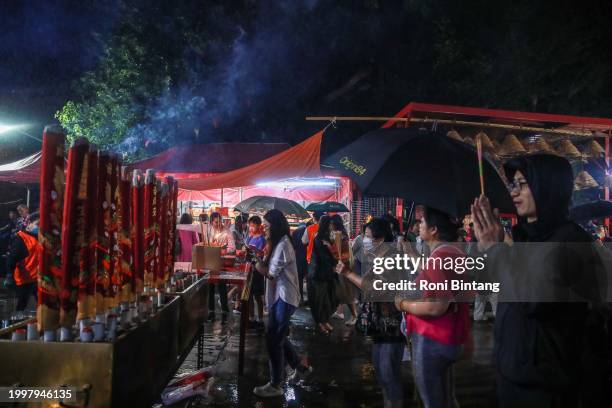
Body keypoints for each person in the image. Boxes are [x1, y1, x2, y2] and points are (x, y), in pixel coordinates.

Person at [471, 154, 607, 407]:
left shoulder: (571, 242)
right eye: (513, 184)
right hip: (510, 378)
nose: (514, 192)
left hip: (548, 389)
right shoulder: (525, 240)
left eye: (523, 184)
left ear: (548, 185)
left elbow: (533, 301)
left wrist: (495, 249)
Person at [395, 207, 472, 408]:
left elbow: (436, 306)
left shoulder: (440, 257)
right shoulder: (451, 252)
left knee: (434, 401)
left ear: (434, 230)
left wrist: (403, 304)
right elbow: (430, 271)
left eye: (422, 222)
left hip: (432, 338)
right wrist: (410, 252)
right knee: (446, 398)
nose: (419, 225)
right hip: (449, 337)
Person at [336, 218, 406, 408]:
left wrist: (348, 274)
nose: (364, 240)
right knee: (382, 371)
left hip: (391, 324)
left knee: (389, 372)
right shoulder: (377, 256)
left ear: (380, 238)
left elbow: (376, 287)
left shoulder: (391, 258)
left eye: (367, 237)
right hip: (380, 324)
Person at [253, 209, 311, 398]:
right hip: (280, 296)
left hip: (285, 298)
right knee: (276, 337)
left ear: (275, 227)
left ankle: (276, 384)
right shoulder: (277, 243)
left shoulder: (283, 245)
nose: (264, 230)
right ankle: (299, 366)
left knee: (273, 340)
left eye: (267, 227)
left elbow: (270, 273)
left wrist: (256, 264)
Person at [307, 215, 339, 334]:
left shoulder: (327, 238)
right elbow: (325, 257)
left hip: (327, 274)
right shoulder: (319, 238)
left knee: (327, 299)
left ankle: (325, 321)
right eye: (330, 224)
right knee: (320, 299)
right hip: (319, 274)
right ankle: (320, 323)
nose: (332, 226)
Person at [203, 212, 236, 321]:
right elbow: (204, 245)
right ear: (211, 222)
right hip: (210, 262)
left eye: (220, 221)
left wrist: (223, 249)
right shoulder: (208, 231)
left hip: (222, 262)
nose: (218, 224)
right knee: (210, 286)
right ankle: (211, 310)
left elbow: (232, 247)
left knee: (222, 285)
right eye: (216, 222)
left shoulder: (227, 231)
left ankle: (224, 310)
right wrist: (211, 246)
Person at [6, 213, 40, 311]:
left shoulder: (40, 237)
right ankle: (16, 324)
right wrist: (9, 275)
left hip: (38, 278)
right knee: (21, 306)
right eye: (38, 224)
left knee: (42, 304)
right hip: (24, 279)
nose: (40, 227)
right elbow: (12, 258)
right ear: (29, 223)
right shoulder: (21, 238)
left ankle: (38, 324)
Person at [329, 214, 358, 326]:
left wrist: (329, 247)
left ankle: (355, 316)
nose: (330, 226)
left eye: (331, 224)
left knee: (347, 292)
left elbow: (341, 253)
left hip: (344, 267)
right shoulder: (339, 235)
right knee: (342, 291)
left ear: (335, 224)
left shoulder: (340, 236)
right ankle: (340, 312)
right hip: (341, 267)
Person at [246, 215, 266, 327]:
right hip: (248, 268)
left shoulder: (262, 239)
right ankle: (251, 317)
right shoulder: (249, 237)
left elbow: (262, 254)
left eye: (253, 226)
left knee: (258, 296)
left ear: (259, 226)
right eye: (250, 226)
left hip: (257, 269)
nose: (251, 228)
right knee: (249, 295)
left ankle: (260, 319)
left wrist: (255, 251)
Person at [291, 221, 309, 304]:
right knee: (309, 279)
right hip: (309, 258)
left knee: (299, 280)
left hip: (298, 258)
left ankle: (300, 299)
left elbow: (293, 248)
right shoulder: (308, 230)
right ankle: (310, 298)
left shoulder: (295, 232)